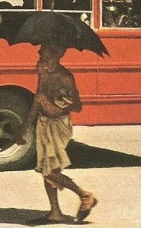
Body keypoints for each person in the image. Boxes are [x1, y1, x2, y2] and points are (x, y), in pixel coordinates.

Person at [16, 45, 97, 224]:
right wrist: (23, 128)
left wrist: (51, 103)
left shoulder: (65, 77)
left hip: (59, 125)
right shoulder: (44, 74)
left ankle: (84, 195)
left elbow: (77, 105)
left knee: (49, 170)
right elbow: (37, 103)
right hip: (44, 124)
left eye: (44, 55)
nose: (39, 57)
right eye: (40, 56)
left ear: (56, 55)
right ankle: (55, 212)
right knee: (47, 167)